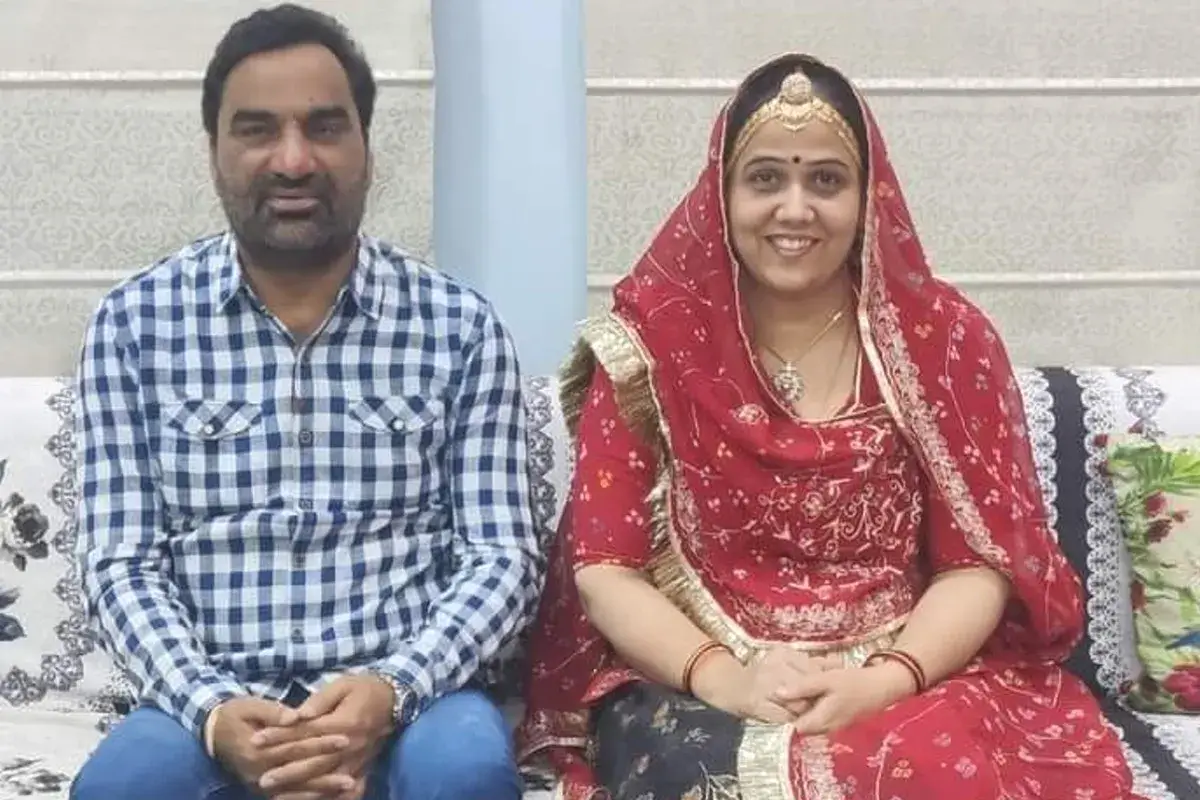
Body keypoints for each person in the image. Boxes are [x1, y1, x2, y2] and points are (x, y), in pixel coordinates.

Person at [516, 53, 1141, 799]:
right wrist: (730, 680)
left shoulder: (944, 342)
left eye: (826, 180)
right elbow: (605, 568)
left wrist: (886, 680)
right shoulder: (650, 347)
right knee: (706, 779)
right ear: (720, 192)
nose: (794, 209)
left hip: (908, 670)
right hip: (697, 677)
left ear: (868, 196)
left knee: (938, 774)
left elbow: (977, 563)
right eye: (765, 179)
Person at [71, 5, 536, 799]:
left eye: (324, 128)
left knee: (468, 775)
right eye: (257, 130)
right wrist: (211, 709)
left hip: (411, 698)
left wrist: (394, 688)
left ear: (366, 146)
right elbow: (120, 563)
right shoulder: (133, 325)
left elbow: (503, 558)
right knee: (121, 789)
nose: (293, 160)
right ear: (214, 150)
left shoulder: (459, 327)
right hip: (213, 695)